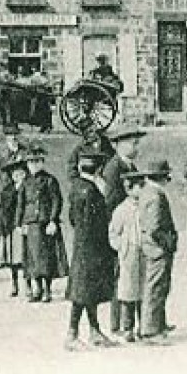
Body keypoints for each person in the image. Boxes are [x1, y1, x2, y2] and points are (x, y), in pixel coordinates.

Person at [65, 147, 118, 350]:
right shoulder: (92, 191)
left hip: (81, 244)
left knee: (86, 291)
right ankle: (72, 334)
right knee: (84, 291)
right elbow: (97, 221)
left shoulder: (76, 187)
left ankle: (93, 331)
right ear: (98, 169)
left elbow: (72, 218)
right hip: (93, 246)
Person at [134, 160, 179, 341]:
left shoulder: (147, 192)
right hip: (157, 249)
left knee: (156, 286)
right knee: (156, 288)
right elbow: (154, 228)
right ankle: (151, 331)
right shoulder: (156, 196)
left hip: (151, 247)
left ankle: (156, 325)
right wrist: (167, 243)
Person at [19, 145, 65, 302]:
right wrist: (20, 223)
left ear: (42, 162)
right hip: (30, 223)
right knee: (32, 259)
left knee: (45, 259)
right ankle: (36, 288)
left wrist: (53, 220)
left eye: (37, 161)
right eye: (31, 162)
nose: (33, 165)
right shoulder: (25, 182)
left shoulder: (50, 180)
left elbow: (56, 201)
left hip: (44, 224)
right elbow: (21, 203)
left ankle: (47, 289)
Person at [108, 173, 143, 342]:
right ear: (129, 189)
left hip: (143, 252)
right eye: (138, 187)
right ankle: (127, 327)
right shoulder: (121, 210)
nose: (141, 190)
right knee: (128, 291)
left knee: (144, 290)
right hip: (129, 253)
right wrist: (122, 246)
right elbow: (113, 233)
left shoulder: (145, 206)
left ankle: (145, 326)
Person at [0, 151, 28, 297]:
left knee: (27, 257)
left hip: (24, 225)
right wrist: (2, 227)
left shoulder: (28, 187)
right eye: (14, 173)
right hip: (11, 227)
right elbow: (2, 210)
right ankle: (14, 283)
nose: (17, 175)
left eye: (20, 172)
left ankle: (28, 284)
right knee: (13, 258)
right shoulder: (7, 190)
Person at [100, 126, 144, 200]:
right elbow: (110, 201)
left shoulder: (130, 166)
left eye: (138, 143)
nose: (138, 148)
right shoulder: (113, 169)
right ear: (120, 144)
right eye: (134, 143)